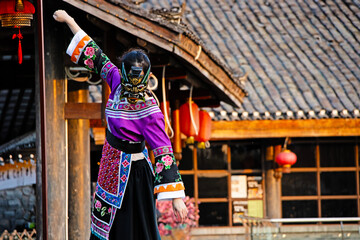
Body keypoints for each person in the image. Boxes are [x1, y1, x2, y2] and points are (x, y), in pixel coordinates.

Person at [53, 10, 188, 240]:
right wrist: (70, 21)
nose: (134, 88)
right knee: (105, 225)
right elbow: (95, 55)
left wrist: (177, 197)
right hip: (110, 164)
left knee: (135, 228)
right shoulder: (115, 81)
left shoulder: (150, 109)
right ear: (124, 74)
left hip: (135, 173)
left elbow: (163, 149)